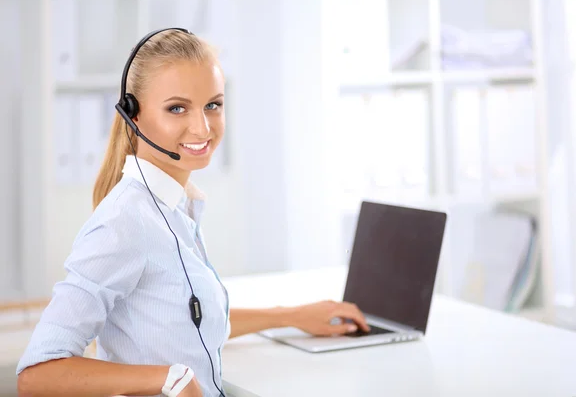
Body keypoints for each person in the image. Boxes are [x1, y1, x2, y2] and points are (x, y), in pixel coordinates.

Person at [16, 28, 369, 397]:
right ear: (132, 114)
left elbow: (185, 318)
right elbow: (37, 375)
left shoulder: (178, 205)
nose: (202, 127)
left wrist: (292, 316)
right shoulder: (124, 223)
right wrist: (165, 378)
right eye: (177, 108)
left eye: (213, 105)